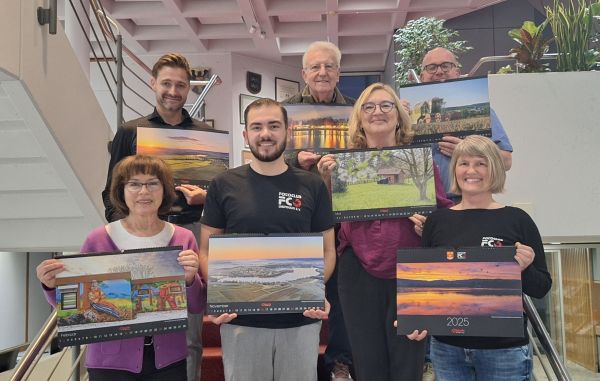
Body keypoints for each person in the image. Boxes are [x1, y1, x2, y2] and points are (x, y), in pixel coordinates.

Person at [317, 83, 453, 381]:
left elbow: (443, 215)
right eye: (368, 106)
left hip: (410, 268)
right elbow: (330, 218)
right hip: (356, 272)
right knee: (366, 363)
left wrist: (430, 225)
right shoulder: (342, 165)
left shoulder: (420, 162)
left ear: (399, 115)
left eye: (385, 105)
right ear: (359, 118)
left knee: (409, 361)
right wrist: (327, 182)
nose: (377, 111)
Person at [199, 98, 335, 381]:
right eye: (257, 127)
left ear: (288, 130)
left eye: (274, 126)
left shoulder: (312, 185)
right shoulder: (223, 184)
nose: (266, 134)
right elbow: (206, 250)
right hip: (241, 321)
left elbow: (327, 250)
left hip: (301, 317)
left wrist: (316, 289)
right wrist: (221, 297)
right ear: (246, 134)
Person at [36, 155, 205, 380]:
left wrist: (191, 280)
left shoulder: (183, 238)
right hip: (109, 362)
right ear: (121, 191)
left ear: (164, 190)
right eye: (134, 184)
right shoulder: (98, 239)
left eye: (153, 183)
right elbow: (77, 308)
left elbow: (196, 305)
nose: (144, 192)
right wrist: (50, 285)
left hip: (169, 361)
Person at [101, 52, 209, 381]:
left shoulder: (206, 135)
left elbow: (218, 195)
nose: (173, 91)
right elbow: (110, 190)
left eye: (180, 85)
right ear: (153, 84)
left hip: (186, 234)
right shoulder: (130, 132)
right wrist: (121, 230)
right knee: (130, 318)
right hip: (139, 235)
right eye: (166, 83)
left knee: (189, 332)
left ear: (189, 88)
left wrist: (207, 199)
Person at [419, 135, 552, 381]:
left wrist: (523, 268)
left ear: (495, 170)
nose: (472, 170)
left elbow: (542, 287)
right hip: (448, 348)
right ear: (454, 169)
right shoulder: (437, 222)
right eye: (464, 163)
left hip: (503, 350)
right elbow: (427, 287)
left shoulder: (517, 220)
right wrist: (415, 321)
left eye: (481, 163)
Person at [283, 40, 355, 380]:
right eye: (315, 67)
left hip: (345, 218)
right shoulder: (283, 114)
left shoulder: (357, 111)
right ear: (304, 74)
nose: (322, 72)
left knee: (341, 295)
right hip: (299, 216)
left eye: (329, 66)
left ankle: (340, 361)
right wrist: (294, 159)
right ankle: (301, 363)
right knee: (301, 290)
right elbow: (265, 154)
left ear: (339, 73)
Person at [417, 47, 513, 202]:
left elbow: (506, 161)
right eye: (432, 67)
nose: (439, 72)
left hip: (468, 202)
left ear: (457, 73)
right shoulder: (409, 116)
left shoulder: (479, 111)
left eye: (446, 66)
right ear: (422, 76)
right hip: (423, 205)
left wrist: (467, 151)